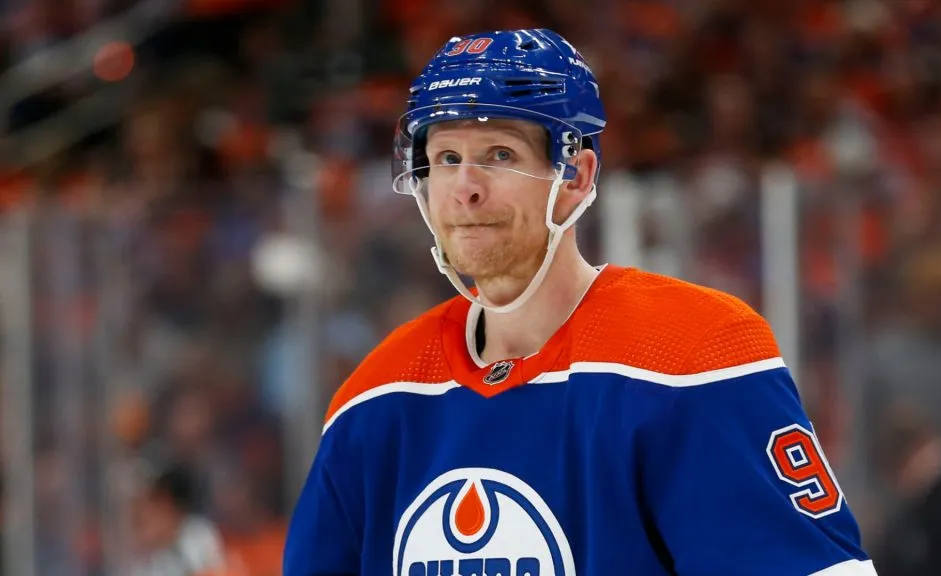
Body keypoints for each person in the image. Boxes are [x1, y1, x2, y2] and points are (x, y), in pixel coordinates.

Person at [284, 28, 876, 575]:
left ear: (576, 176)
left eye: (499, 155)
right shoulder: (377, 396)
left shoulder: (690, 353)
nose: (465, 188)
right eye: (445, 159)